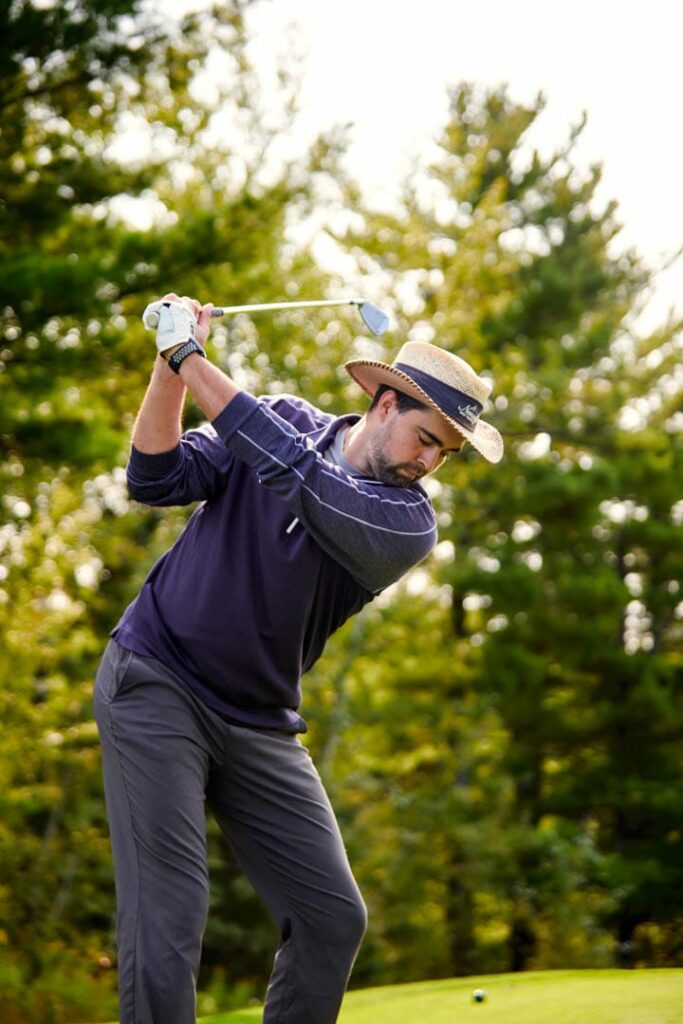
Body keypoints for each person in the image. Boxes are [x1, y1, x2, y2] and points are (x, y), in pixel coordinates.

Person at [94, 293, 504, 1024]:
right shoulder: (283, 417)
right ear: (384, 404)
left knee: (331, 916)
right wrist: (168, 367)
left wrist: (193, 358)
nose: (429, 461)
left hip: (256, 720)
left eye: (445, 451)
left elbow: (299, 477)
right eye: (425, 437)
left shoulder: (405, 524)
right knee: (170, 913)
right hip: (155, 680)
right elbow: (153, 479)